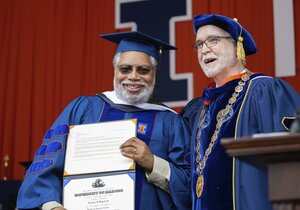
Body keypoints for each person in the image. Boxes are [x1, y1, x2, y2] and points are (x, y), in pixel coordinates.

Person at [17, 31, 191, 210]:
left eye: (143, 70)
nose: (133, 76)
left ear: (154, 74)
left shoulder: (171, 123)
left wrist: (153, 163)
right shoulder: (83, 109)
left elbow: (191, 187)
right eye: (125, 69)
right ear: (115, 70)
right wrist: (52, 206)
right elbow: (45, 166)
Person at [181, 14, 300, 210]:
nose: (204, 49)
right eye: (199, 44)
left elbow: (289, 162)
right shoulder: (203, 107)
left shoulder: (263, 91)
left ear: (238, 45)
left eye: (213, 40)